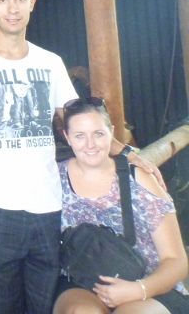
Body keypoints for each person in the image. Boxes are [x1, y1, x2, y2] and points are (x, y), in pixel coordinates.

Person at [0, 0, 163, 313]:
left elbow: (79, 122)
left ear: (33, 4)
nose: (12, 8)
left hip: (47, 206)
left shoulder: (50, 62)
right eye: (3, 0)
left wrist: (129, 152)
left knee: (44, 303)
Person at [54, 98, 189, 314]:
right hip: (82, 278)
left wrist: (139, 289)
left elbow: (176, 260)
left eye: (98, 134)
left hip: (147, 281)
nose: (90, 144)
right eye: (80, 135)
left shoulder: (138, 178)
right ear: (67, 137)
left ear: (112, 133)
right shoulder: (55, 178)